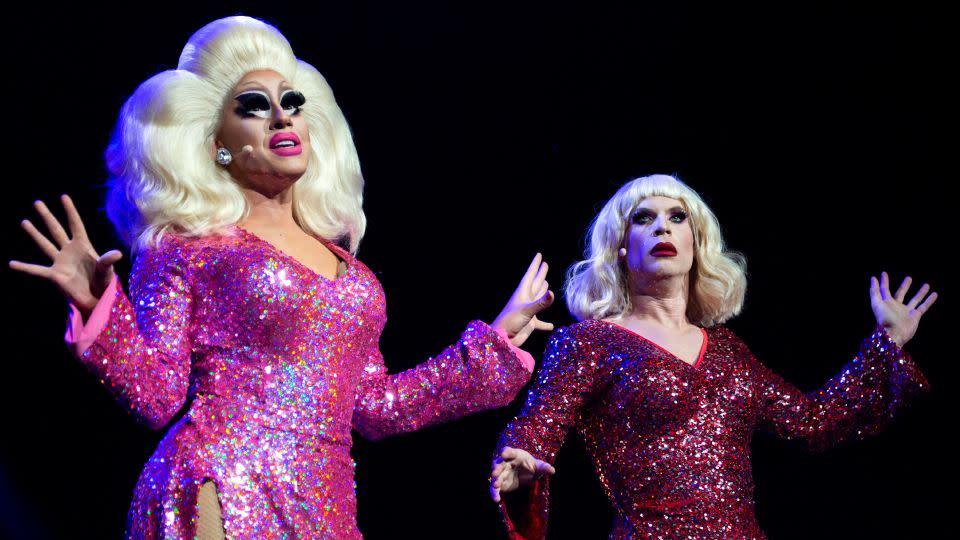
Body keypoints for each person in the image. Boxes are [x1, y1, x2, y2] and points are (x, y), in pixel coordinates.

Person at [9, 16, 555, 539]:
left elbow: (376, 407)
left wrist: (495, 343)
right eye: (254, 107)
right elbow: (155, 394)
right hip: (219, 481)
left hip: (326, 502)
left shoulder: (354, 276)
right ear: (216, 142)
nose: (282, 117)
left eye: (292, 103)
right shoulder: (188, 247)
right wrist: (98, 302)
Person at [488, 174, 935, 539]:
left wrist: (888, 342)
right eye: (643, 218)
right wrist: (520, 462)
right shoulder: (589, 342)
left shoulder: (728, 351)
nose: (661, 227)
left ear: (696, 242)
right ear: (621, 247)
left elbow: (812, 422)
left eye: (676, 217)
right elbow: (537, 424)